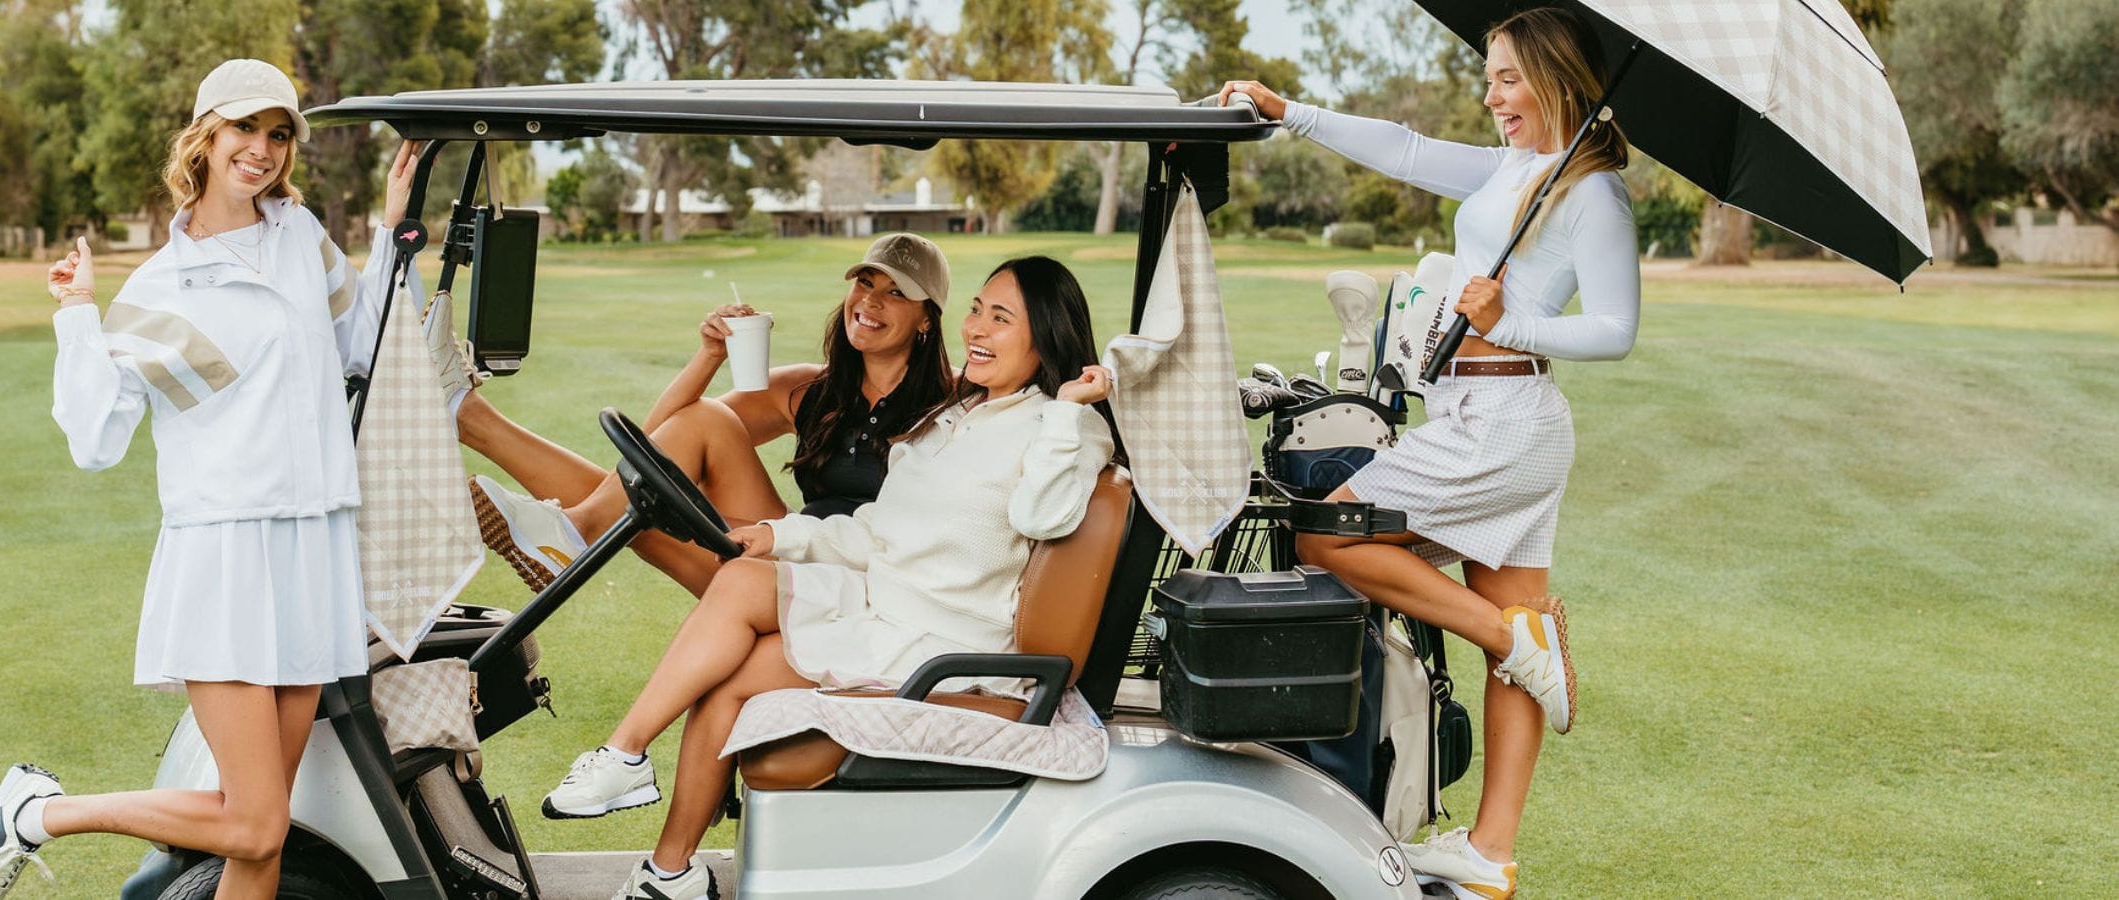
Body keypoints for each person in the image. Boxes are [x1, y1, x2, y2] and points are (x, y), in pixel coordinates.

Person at [0, 59, 425, 900]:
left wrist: (392, 234)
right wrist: (76, 318)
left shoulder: (301, 239)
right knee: (254, 820)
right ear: (205, 138)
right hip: (227, 559)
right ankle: (36, 814)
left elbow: (370, 348)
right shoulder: (160, 290)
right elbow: (97, 439)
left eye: (279, 135)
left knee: (261, 847)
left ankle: (38, 813)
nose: (264, 150)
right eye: (246, 129)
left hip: (314, 547)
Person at [538, 257, 1115, 900]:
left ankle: (642, 804)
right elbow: (877, 531)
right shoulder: (960, 415)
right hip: (883, 609)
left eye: (1001, 317)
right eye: (977, 308)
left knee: (730, 669)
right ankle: (653, 829)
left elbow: (1045, 513)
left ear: (1048, 336)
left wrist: (1068, 411)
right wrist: (778, 536)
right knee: (738, 585)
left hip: (939, 642)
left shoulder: (1066, 428)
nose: (977, 326)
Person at [1225, 7, 1636, 898]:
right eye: (1488, 78)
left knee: (1326, 537)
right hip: (1481, 414)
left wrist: (1509, 318)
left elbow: (1618, 328)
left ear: (1557, 79)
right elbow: (1406, 151)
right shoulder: (1515, 168)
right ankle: (1491, 852)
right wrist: (1290, 111)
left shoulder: (1592, 191)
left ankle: (1514, 636)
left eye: (1508, 79)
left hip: (1504, 417)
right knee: (1504, 637)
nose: (1492, 96)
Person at [459, 233, 957, 597]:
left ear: (926, 318)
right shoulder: (812, 389)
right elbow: (660, 443)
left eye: (895, 293)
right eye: (865, 282)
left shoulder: (956, 401)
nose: (869, 301)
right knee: (702, 430)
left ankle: (489, 438)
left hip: (865, 578)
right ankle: (561, 514)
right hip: (785, 550)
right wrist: (710, 356)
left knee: (639, 517)